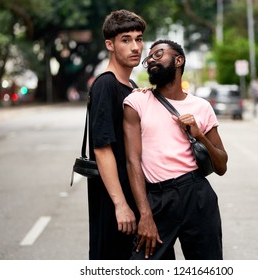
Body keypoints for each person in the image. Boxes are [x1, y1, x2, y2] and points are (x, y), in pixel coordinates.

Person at [123, 40, 228, 260]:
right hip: (158, 199)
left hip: (197, 195)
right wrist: (145, 214)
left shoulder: (201, 107)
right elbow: (133, 161)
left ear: (178, 60)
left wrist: (199, 134)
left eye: (159, 54)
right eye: (149, 57)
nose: (151, 59)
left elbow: (221, 166)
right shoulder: (136, 102)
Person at [86, 9, 146, 260]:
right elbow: (102, 148)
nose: (135, 47)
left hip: (134, 196)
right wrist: (120, 205)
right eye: (126, 40)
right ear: (110, 44)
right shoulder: (105, 85)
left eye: (139, 39)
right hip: (114, 204)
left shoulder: (130, 86)